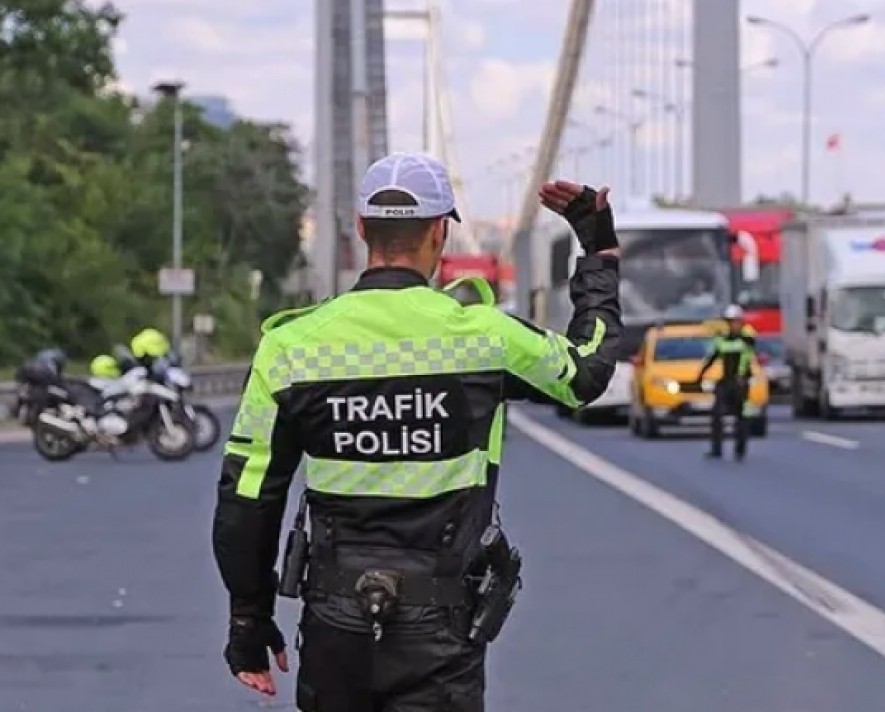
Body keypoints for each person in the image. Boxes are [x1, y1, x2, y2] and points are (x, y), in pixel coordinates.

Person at [211, 151, 622, 712]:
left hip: (335, 625)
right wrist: (598, 253)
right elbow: (586, 372)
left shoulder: (290, 348)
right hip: (441, 630)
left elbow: (247, 497)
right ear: (439, 232)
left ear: (362, 229)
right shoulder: (484, 338)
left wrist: (248, 622)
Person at [696, 304, 757, 461]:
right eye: (730, 322)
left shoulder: (747, 338)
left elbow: (750, 351)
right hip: (726, 381)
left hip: (741, 382)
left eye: (736, 321)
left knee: (742, 417)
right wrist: (700, 375)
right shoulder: (721, 340)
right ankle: (716, 449)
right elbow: (711, 358)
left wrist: (742, 377)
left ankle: (740, 450)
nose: (733, 325)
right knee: (717, 415)